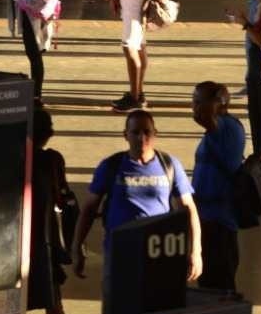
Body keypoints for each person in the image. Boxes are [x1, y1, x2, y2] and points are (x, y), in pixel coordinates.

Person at [70, 110, 202, 283]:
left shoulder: (170, 165)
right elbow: (89, 209)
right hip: (120, 255)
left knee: (157, 307)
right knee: (121, 308)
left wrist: (195, 251)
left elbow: (188, 209)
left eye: (147, 132)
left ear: (155, 134)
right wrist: (77, 246)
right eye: (135, 132)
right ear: (126, 135)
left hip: (159, 254)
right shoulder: (110, 166)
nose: (141, 137)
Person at [3, 106, 78, 314]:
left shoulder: (10, 158)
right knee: (54, 303)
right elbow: (62, 199)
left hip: (12, 241)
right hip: (44, 242)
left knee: (15, 304)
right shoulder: (52, 160)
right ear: (49, 134)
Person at [190, 81, 247, 291]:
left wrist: (216, 103)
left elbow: (202, 117)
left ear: (216, 103)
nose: (194, 106)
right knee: (209, 281)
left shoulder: (225, 126)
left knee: (219, 281)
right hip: (207, 216)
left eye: (199, 101)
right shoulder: (217, 127)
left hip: (219, 218)